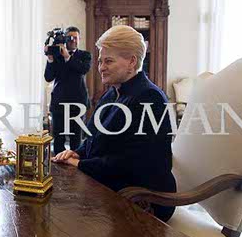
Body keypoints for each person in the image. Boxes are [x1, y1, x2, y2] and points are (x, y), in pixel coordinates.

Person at [52, 25, 176, 222]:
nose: (101, 67)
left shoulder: (150, 98)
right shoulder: (112, 92)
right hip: (110, 185)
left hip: (144, 200)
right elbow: (94, 138)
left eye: (108, 61)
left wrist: (81, 164)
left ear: (132, 62)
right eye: (100, 61)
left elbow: (132, 163)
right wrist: (77, 153)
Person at [44, 26, 91, 154]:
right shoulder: (56, 56)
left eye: (75, 38)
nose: (73, 40)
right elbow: (48, 77)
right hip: (59, 103)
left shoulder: (85, 55)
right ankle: (59, 163)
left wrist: (67, 57)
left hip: (78, 103)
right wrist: (50, 59)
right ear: (65, 39)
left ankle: (75, 163)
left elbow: (83, 69)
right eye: (70, 38)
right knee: (58, 138)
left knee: (76, 138)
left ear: (79, 39)